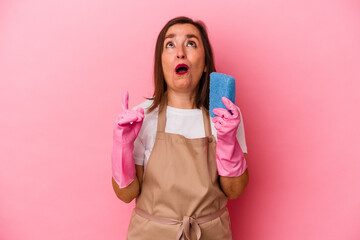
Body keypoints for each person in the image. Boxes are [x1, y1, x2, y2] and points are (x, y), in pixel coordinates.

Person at [111, 16, 249, 240]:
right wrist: (122, 147)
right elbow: (127, 195)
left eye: (191, 43)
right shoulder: (140, 116)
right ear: (161, 62)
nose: (180, 52)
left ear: (205, 64)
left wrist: (227, 141)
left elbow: (235, 190)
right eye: (170, 44)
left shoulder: (226, 116)